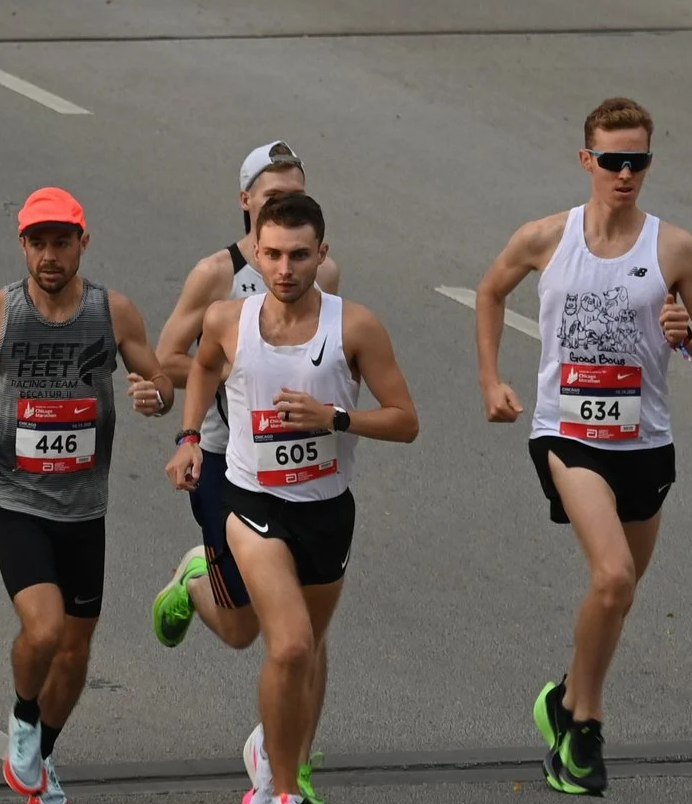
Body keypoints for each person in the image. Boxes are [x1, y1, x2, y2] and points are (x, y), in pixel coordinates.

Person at [473, 96, 692, 798]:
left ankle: (564, 699)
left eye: (636, 161)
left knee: (618, 593)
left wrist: (686, 332)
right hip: (566, 432)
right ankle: (584, 731)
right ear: (585, 160)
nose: (623, 173)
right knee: (612, 576)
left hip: (644, 437)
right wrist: (491, 380)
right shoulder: (545, 236)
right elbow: (488, 290)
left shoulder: (674, 248)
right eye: (610, 160)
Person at [169, 191, 419, 804]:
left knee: (284, 651)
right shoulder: (228, 319)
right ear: (256, 250)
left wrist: (335, 418)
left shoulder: (354, 325)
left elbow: (405, 420)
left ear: (321, 254)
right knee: (291, 644)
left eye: (299, 255)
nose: (285, 269)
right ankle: (279, 790)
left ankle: (197, 584)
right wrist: (189, 436)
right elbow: (202, 367)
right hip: (251, 504)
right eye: (273, 254)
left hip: (328, 509)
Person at [0, 187, 169, 804]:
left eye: (61, 242)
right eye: (38, 242)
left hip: (84, 507)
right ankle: (22, 716)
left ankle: (39, 753)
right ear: (22, 245)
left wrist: (157, 394)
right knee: (43, 633)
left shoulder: (113, 312)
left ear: (82, 243)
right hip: (12, 500)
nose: (49, 255)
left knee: (73, 651)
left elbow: (158, 376)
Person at [150, 142, 342, 664]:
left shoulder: (322, 273)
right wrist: (238, 377)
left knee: (299, 620)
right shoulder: (216, 274)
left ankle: (281, 742)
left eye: (298, 195)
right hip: (224, 458)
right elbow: (166, 358)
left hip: (301, 460)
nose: (286, 205)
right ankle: (195, 578)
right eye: (274, 195)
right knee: (240, 630)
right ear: (246, 199)